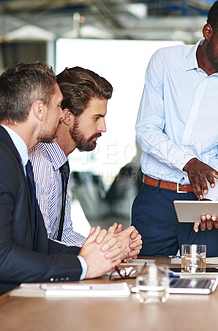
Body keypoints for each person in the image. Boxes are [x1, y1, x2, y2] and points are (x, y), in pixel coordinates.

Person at [132, 0, 218, 257]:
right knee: (147, 283)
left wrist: (212, 202)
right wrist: (188, 162)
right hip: (156, 199)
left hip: (208, 204)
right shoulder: (165, 62)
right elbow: (147, 131)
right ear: (208, 32)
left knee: (209, 285)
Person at [0, 62, 135, 294]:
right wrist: (82, 265)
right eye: (58, 105)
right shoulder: (5, 159)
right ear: (39, 110)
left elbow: (38, 243)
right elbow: (3, 258)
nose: (61, 114)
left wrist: (103, 252)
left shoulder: (16, 157)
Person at [29, 66, 142, 257]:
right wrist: (107, 251)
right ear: (66, 116)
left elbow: (63, 235)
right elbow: (41, 245)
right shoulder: (40, 165)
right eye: (96, 118)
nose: (103, 127)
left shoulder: (59, 163)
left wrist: (109, 245)